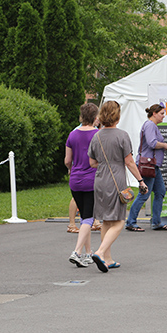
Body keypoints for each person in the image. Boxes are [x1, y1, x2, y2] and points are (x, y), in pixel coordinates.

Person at [88, 101, 148, 272]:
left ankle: (107, 258)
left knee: (107, 220)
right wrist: (140, 180)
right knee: (119, 221)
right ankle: (99, 252)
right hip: (116, 179)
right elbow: (129, 161)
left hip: (100, 179)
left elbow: (92, 162)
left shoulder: (96, 136)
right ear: (117, 115)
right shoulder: (122, 135)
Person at [124, 104, 167, 232]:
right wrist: (165, 145)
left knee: (160, 191)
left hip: (152, 165)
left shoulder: (150, 125)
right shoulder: (150, 125)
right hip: (149, 165)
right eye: (162, 113)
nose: (163, 116)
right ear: (154, 114)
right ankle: (131, 221)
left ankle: (156, 222)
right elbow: (152, 143)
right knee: (144, 194)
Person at [66, 102, 99, 267]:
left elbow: (67, 160)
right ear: (95, 118)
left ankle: (88, 253)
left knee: (85, 217)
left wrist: (70, 169)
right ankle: (77, 251)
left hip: (75, 180)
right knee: (89, 217)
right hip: (91, 180)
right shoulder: (97, 135)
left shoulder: (72, 135)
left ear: (81, 117)